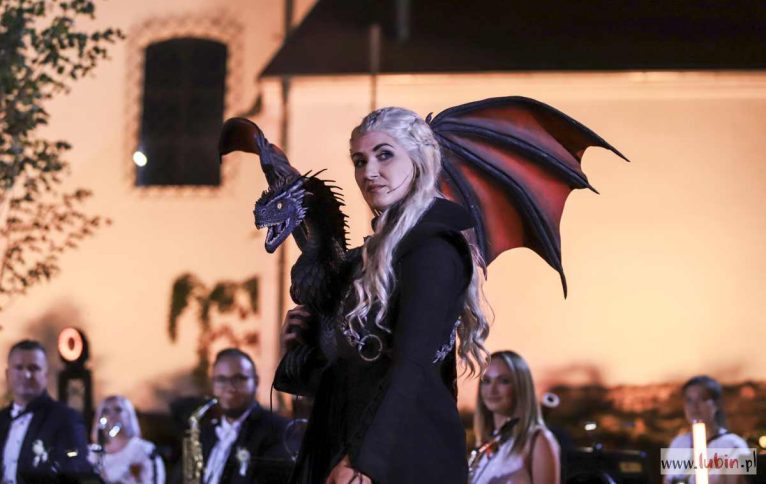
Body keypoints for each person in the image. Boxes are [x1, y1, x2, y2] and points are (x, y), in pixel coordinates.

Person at [281, 107, 491, 483]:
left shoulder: (433, 250)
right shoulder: (369, 259)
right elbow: (352, 377)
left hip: (403, 454)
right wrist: (309, 344)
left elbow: (411, 367)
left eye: (385, 155)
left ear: (419, 161)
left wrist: (363, 461)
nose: (369, 172)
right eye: (360, 161)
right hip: (352, 442)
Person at [0, 339, 92, 483]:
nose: (26, 375)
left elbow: (74, 470)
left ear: (46, 375)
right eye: (19, 368)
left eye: (34, 368)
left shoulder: (65, 419)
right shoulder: (2, 419)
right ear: (7, 374)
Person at [200, 348, 294, 484]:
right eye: (221, 380)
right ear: (213, 385)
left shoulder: (278, 430)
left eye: (239, 379)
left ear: (256, 382)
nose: (230, 388)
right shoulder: (204, 433)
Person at [470, 351, 560, 484]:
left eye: (504, 381)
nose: (492, 390)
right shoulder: (485, 447)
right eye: (486, 381)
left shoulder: (538, 440)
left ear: (521, 386)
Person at [665, 375, 748, 484]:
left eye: (703, 399)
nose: (694, 406)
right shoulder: (678, 443)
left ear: (716, 403)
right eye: (689, 400)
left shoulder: (734, 445)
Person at [89, 395, 165, 483]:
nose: (111, 415)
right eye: (105, 411)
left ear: (129, 415)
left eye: (118, 410)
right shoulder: (90, 453)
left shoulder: (145, 450)